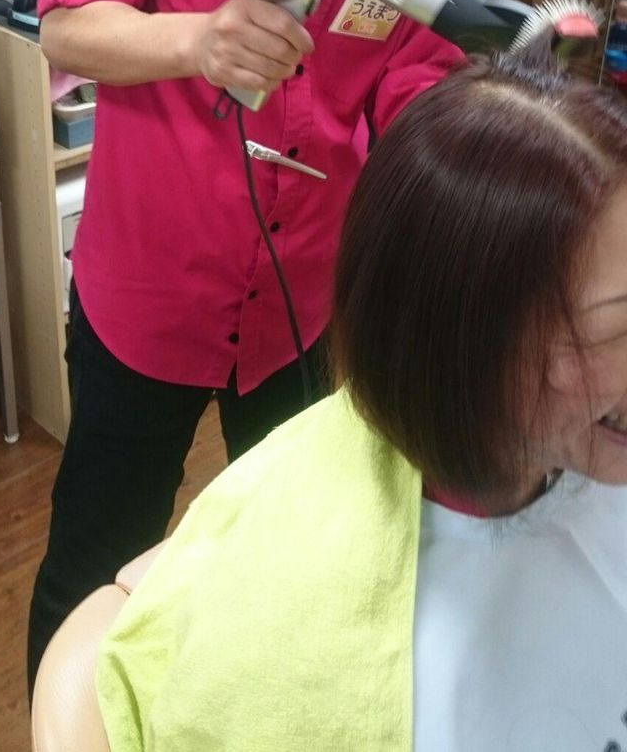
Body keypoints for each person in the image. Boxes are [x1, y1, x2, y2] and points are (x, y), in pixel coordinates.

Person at [27, 0, 525, 689]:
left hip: (303, 307)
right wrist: (196, 41)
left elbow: (414, 85)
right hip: (147, 301)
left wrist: (484, 137)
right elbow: (66, 22)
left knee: (292, 555)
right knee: (94, 569)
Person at [96, 46, 627, 752]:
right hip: (154, 303)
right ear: (467, 340)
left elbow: (414, 61)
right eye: (618, 328)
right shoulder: (299, 645)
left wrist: (483, 146)